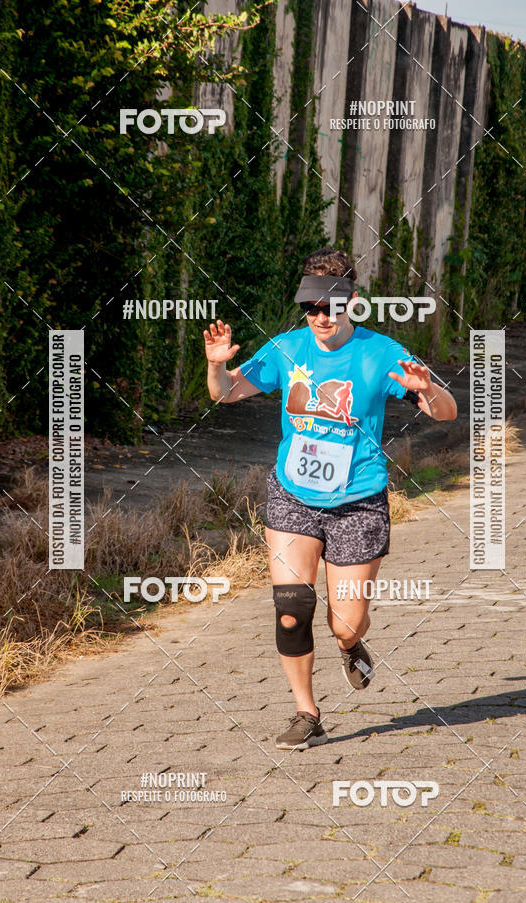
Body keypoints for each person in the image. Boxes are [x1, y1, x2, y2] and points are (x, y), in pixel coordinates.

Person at [204, 248, 457, 750]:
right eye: (311, 308)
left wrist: (427, 391)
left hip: (357, 501)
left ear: (352, 302)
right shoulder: (286, 349)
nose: (320, 317)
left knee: (345, 623)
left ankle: (351, 645)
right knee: (291, 609)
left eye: (331, 307)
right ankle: (307, 714)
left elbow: (446, 413)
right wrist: (216, 367)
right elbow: (224, 393)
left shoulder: (380, 353)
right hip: (293, 495)